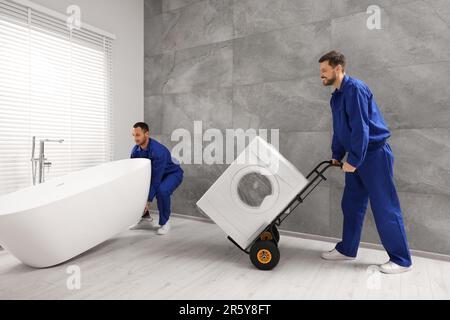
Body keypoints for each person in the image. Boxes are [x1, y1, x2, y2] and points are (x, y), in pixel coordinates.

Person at [318, 50, 412, 274]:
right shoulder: (336, 96)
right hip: (355, 157)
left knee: (384, 207)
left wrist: (355, 160)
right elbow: (341, 129)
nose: (321, 75)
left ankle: (401, 260)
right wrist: (337, 154)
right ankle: (347, 249)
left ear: (338, 68)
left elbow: (362, 127)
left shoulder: (356, 89)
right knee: (351, 204)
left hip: (374, 155)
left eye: (324, 70)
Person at [129, 122, 184, 235]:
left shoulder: (158, 151)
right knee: (138, 188)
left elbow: (156, 179)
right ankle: (145, 219)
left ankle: (165, 223)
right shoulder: (135, 151)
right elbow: (135, 173)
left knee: (162, 191)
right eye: (133, 135)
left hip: (172, 174)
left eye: (138, 135)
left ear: (146, 134)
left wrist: (148, 200)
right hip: (156, 175)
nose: (135, 138)